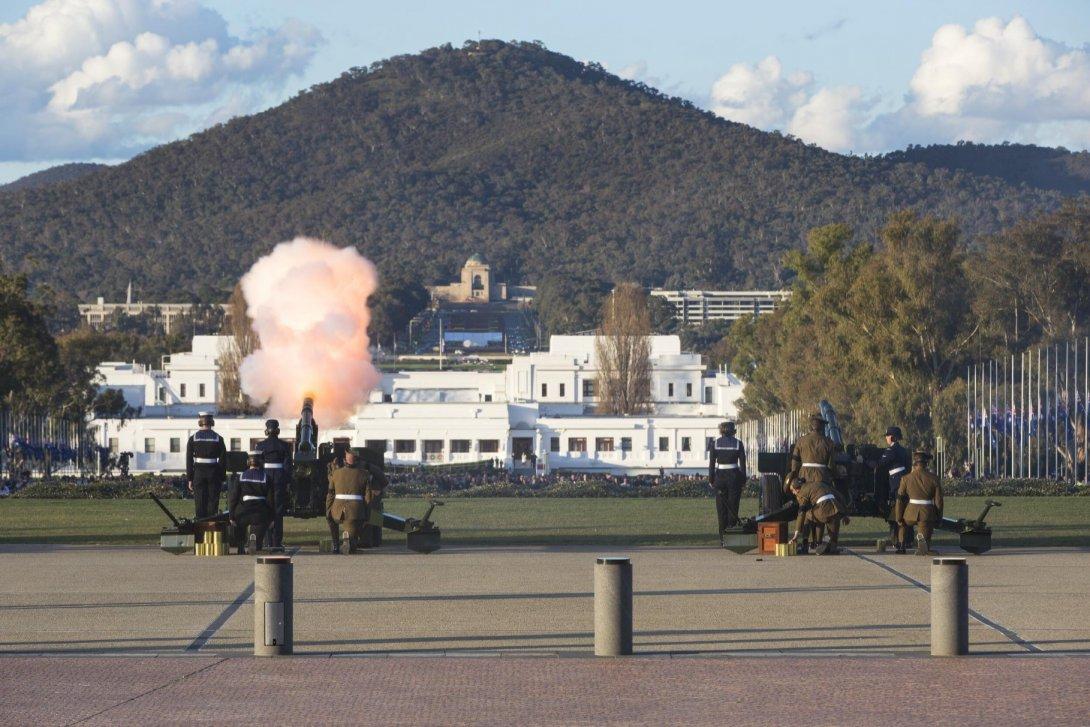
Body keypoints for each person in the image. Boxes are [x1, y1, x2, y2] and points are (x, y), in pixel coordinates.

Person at [786, 413, 838, 553]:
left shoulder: (801, 441)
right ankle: (819, 542)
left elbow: (795, 463)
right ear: (821, 427)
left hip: (804, 478)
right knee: (821, 509)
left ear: (811, 426)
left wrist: (795, 478)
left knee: (805, 510)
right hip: (823, 478)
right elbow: (832, 465)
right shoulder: (828, 442)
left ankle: (804, 542)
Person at [895, 450, 944, 556]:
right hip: (926, 513)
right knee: (925, 528)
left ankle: (902, 545)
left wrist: (898, 517)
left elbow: (899, 499)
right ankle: (923, 544)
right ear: (926, 463)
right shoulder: (934, 478)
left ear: (915, 463)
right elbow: (939, 501)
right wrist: (939, 518)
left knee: (902, 524)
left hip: (910, 513)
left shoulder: (906, 478)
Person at [255, 419, 293, 553]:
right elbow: (288, 467)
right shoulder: (285, 446)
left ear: (266, 431)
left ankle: (267, 541)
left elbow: (257, 465)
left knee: (266, 510)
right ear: (278, 431)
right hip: (279, 481)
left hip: (265, 480)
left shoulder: (260, 446)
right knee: (278, 512)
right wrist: (287, 482)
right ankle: (277, 542)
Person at [874, 425, 913, 553]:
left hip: (896, 483)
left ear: (892, 437)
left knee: (897, 512)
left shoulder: (891, 450)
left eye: (887, 436)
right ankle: (907, 540)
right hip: (902, 480)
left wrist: (865, 462)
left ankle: (899, 541)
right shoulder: (903, 450)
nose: (886, 438)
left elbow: (881, 464)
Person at [708, 421, 747, 546]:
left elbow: (712, 464)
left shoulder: (715, 443)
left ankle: (722, 538)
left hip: (720, 478)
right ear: (733, 431)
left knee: (721, 509)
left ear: (721, 431)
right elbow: (743, 465)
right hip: (734, 477)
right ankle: (732, 535)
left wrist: (711, 479)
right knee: (733, 507)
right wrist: (743, 480)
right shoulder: (738, 443)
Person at [787, 477, 849, 555]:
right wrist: (845, 515)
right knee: (833, 530)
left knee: (807, 514)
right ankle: (831, 546)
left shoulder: (802, 492)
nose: (793, 493)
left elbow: (801, 513)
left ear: (797, 488)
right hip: (836, 510)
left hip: (822, 511)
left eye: (792, 490)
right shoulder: (820, 484)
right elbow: (840, 496)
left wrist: (795, 535)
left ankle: (805, 544)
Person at [326, 449, 371, 554]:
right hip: (356, 513)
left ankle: (336, 545)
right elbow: (368, 497)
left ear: (344, 460)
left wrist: (328, 510)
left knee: (331, 520)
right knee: (354, 532)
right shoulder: (365, 474)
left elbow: (330, 493)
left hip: (337, 512)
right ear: (358, 461)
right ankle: (349, 541)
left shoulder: (336, 473)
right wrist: (367, 514)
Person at [229, 450, 274, 554]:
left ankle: (240, 546)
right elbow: (271, 500)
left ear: (248, 462)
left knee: (239, 526)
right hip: (259, 512)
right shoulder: (266, 478)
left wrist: (232, 516)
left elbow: (233, 498)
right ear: (261, 462)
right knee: (259, 524)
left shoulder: (240, 477)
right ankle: (255, 541)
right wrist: (271, 518)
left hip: (243, 511)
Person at [186, 412, 227, 518]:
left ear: (200, 422)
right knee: (213, 502)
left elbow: (189, 460)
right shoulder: (218, 438)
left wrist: (190, 478)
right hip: (214, 473)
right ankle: (211, 527)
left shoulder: (193, 438)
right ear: (212, 422)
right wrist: (222, 477)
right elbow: (223, 460)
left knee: (199, 501)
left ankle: (200, 527)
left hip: (198, 473)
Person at [359, 453, 389, 548]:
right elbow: (384, 482)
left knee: (370, 516)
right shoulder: (373, 468)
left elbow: (384, 481)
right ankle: (376, 540)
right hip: (375, 492)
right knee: (375, 517)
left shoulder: (370, 468)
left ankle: (367, 541)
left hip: (373, 493)